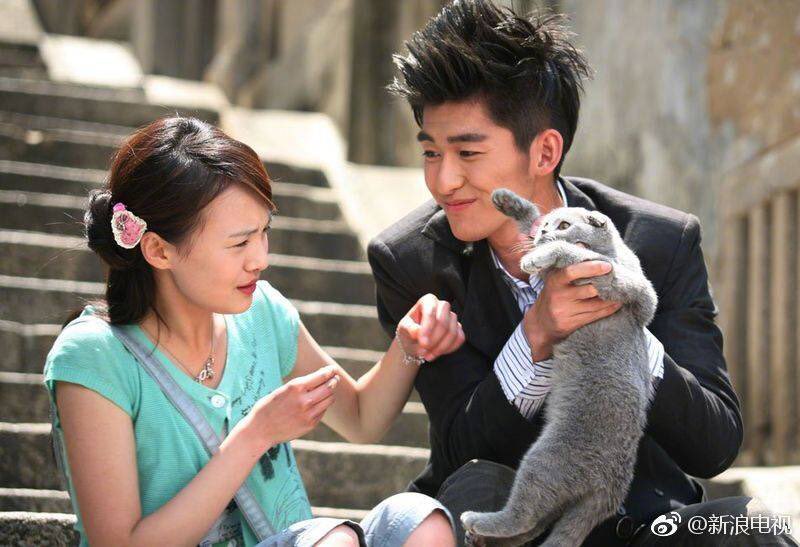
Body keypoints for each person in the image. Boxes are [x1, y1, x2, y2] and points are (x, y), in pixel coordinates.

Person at [367, 1, 797, 545]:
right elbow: (461, 448)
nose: (443, 181)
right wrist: (536, 337)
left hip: (643, 523)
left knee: (752, 528)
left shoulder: (660, 240)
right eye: (431, 153)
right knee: (478, 490)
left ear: (544, 151)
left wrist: (621, 330)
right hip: (513, 512)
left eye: (467, 153)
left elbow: (714, 445)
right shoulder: (412, 260)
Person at [43, 117, 461, 547]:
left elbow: (359, 418)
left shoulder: (261, 313)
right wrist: (256, 434)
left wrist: (408, 346)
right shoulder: (94, 355)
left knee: (420, 522)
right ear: (159, 250)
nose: (260, 258)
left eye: (264, 233)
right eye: (240, 243)